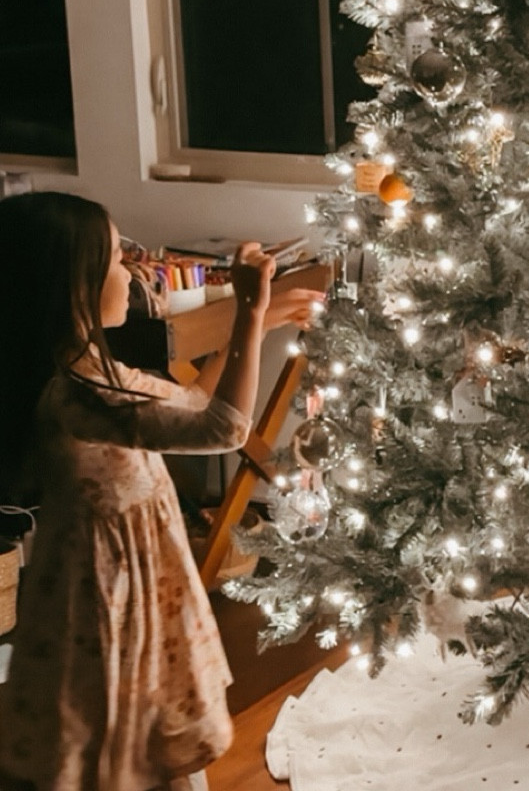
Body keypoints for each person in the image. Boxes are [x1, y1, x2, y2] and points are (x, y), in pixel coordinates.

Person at [0, 192, 317, 791]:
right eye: (119, 261)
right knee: (117, 743)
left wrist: (259, 319)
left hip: (134, 580)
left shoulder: (91, 371)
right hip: (104, 596)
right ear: (75, 285)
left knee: (151, 735)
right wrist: (249, 310)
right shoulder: (76, 395)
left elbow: (194, 405)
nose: (136, 273)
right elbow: (223, 428)